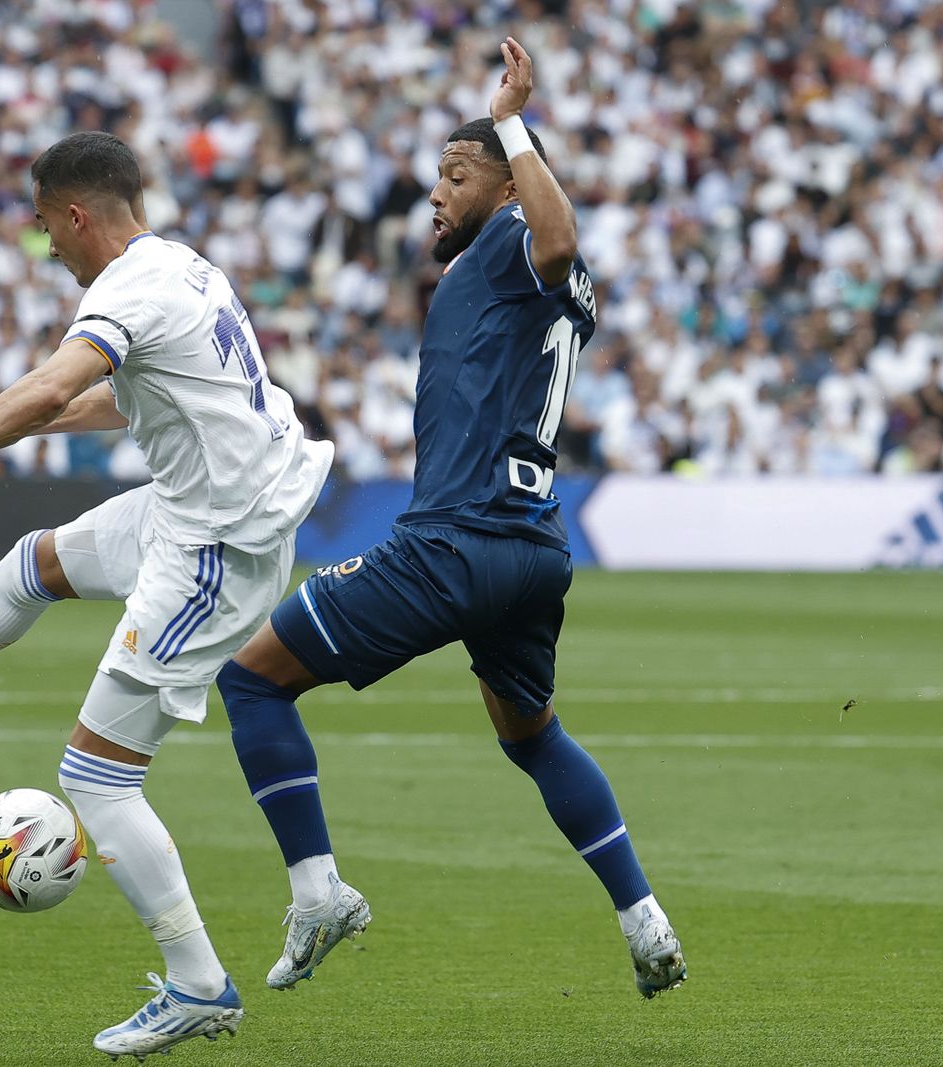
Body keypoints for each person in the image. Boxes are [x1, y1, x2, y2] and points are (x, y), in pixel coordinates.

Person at [0, 131, 333, 1058]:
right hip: (194, 507)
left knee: (96, 777)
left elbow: (54, 382)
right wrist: (23, 422)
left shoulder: (127, 290)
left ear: (75, 214)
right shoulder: (183, 266)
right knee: (39, 562)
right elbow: (112, 396)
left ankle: (198, 983)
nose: (45, 247)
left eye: (44, 226)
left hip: (215, 546)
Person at [213, 38, 687, 998]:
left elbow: (558, 238)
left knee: (252, 678)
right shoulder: (536, 282)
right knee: (532, 734)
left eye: (457, 174)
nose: (435, 193)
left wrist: (511, 124)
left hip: (456, 540)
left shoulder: (516, 239)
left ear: (509, 184)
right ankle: (646, 923)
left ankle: (318, 893)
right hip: (532, 544)